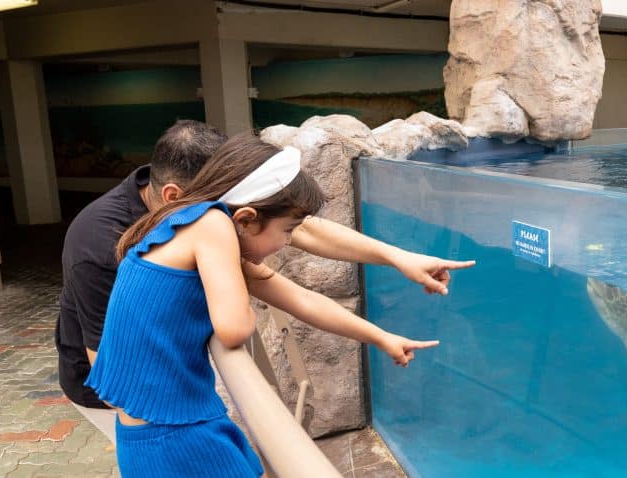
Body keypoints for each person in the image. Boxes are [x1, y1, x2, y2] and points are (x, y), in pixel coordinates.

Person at [55, 120, 474, 441]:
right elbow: (112, 377)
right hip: (126, 401)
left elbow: (301, 238)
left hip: (183, 400)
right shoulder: (105, 242)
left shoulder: (207, 214)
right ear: (178, 199)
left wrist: (397, 259)